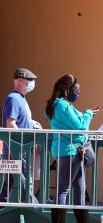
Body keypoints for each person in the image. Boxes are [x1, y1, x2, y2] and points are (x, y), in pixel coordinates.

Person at [45, 74, 97, 223]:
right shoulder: (61, 105)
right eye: (77, 91)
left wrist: (85, 115)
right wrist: (88, 113)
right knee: (63, 190)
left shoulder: (61, 105)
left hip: (73, 151)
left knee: (80, 190)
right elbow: (80, 125)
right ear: (68, 90)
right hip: (69, 152)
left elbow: (74, 122)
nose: (78, 94)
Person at [0, 67, 40, 204]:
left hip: (19, 148)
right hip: (16, 148)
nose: (32, 83)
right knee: (24, 183)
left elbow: (20, 121)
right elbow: (11, 123)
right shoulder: (13, 99)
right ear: (20, 80)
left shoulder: (20, 98)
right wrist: (21, 143)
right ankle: (35, 210)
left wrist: (32, 124)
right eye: (30, 80)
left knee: (10, 184)